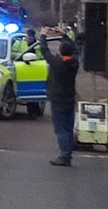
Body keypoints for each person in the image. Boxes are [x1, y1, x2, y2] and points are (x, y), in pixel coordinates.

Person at [33, 24, 82, 165]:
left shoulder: (57, 63)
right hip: (69, 97)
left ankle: (65, 155)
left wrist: (43, 34)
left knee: (60, 129)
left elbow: (44, 50)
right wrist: (63, 36)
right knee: (68, 126)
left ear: (60, 52)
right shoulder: (74, 62)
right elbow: (75, 49)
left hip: (57, 98)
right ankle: (69, 151)